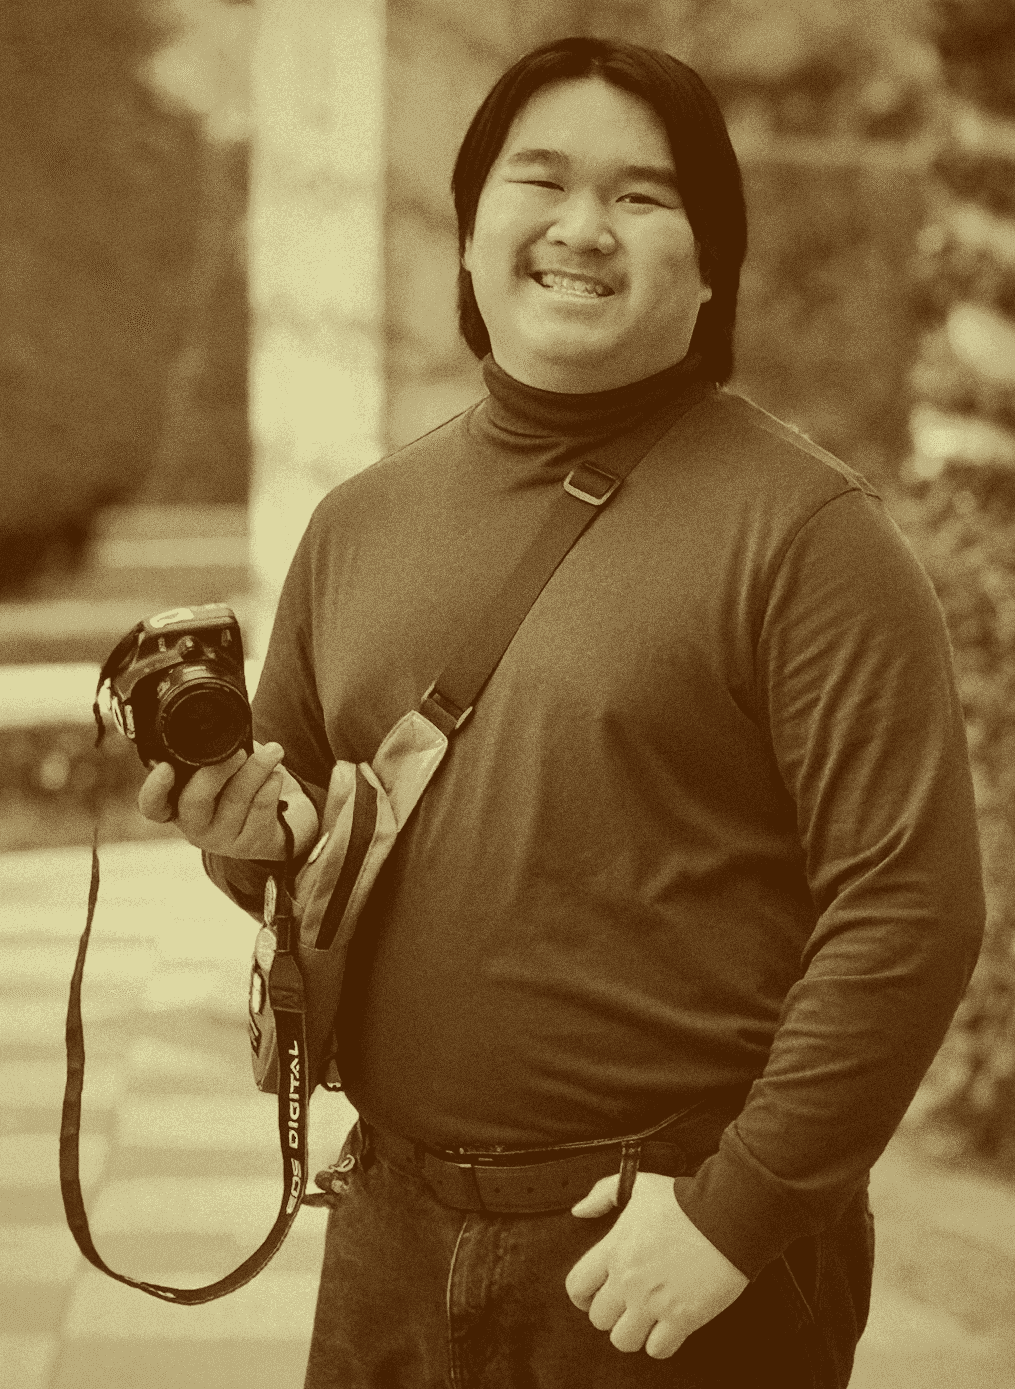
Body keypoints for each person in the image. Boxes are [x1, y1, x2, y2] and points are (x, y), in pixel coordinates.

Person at [139, 35, 986, 1389]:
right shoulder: (359, 525)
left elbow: (908, 909)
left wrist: (732, 1220)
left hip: (655, 1253)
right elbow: (312, 858)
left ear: (710, 268)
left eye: (642, 196)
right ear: (471, 233)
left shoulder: (808, 536)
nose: (583, 228)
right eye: (540, 182)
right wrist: (251, 843)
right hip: (390, 1235)